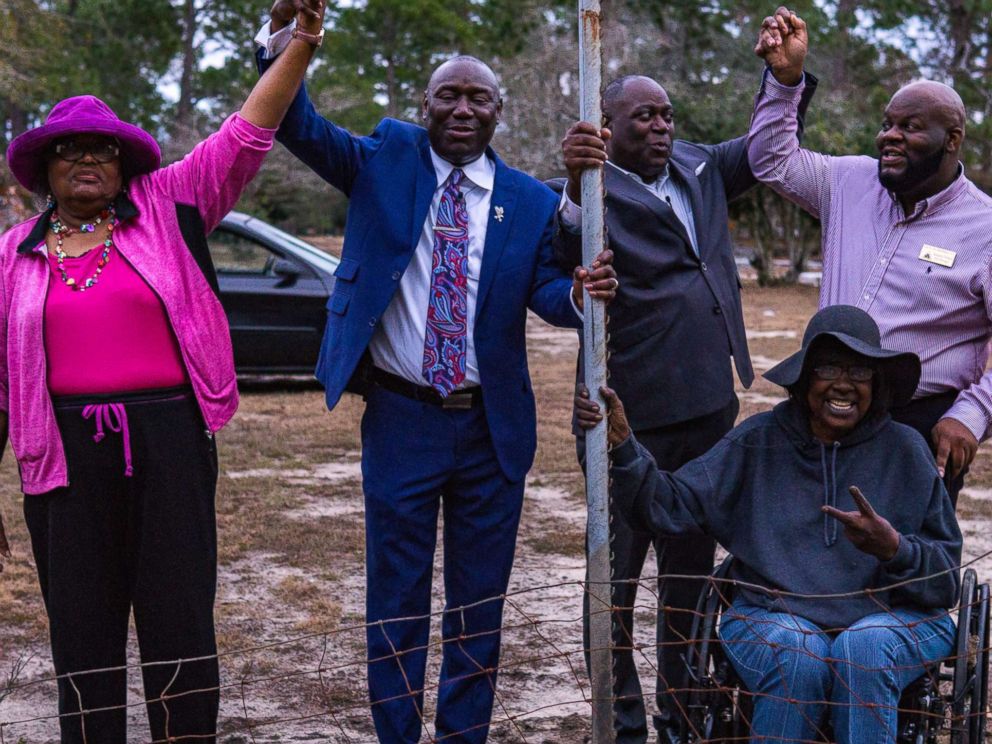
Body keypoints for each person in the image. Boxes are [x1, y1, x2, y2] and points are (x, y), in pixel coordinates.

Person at [253, 4, 618, 742]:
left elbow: (546, 292)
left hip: (492, 428)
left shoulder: (527, 198)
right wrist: (285, 44)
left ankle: (462, 736)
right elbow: (299, 126)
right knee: (397, 597)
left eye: (477, 97)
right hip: (402, 419)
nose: (461, 107)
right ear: (424, 106)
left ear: (498, 113)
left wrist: (579, 292)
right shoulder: (383, 159)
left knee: (478, 605)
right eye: (447, 95)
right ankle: (396, 734)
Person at [0, 1, 327, 740]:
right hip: (64, 461)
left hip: (170, 444)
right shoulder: (11, 254)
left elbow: (246, 135)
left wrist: (299, 46)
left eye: (102, 150)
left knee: (178, 617)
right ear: (46, 169)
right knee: (82, 630)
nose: (87, 160)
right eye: (69, 150)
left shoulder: (169, 205)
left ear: (124, 165)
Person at [551, 72, 816, 742]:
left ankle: (682, 718)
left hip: (707, 410)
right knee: (610, 584)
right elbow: (565, 249)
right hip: (623, 418)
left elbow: (763, 148)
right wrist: (575, 183)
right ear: (605, 125)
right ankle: (623, 725)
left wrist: (783, 82)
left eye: (666, 113)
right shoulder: (591, 189)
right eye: (643, 116)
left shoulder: (701, 165)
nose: (661, 126)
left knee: (690, 578)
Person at [576, 304, 961, 743]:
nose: (843, 384)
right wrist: (626, 448)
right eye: (828, 368)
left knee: (863, 649)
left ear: (876, 383)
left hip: (891, 618)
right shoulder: (758, 441)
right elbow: (669, 504)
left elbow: (945, 583)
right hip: (774, 615)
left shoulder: (907, 450)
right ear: (803, 379)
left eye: (859, 371)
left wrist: (894, 549)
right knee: (795, 653)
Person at [748, 5, 992, 506]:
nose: (890, 136)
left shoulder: (984, 227)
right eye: (887, 124)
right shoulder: (847, 181)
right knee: (810, 550)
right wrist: (785, 79)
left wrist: (971, 414)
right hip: (823, 407)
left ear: (952, 140)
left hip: (919, 424)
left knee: (906, 569)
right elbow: (771, 162)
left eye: (910, 127)